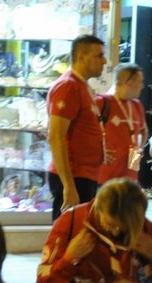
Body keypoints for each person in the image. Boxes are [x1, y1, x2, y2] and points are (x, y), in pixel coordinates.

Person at [45, 34, 107, 219]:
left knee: (81, 235)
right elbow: (55, 136)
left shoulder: (82, 86)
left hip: (85, 175)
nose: (104, 61)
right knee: (69, 236)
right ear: (81, 57)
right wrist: (68, 185)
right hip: (74, 176)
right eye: (99, 55)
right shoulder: (69, 86)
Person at [96, 65, 147, 185]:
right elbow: (85, 133)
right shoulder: (102, 102)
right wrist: (99, 151)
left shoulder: (137, 105)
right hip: (105, 177)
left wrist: (140, 148)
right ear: (129, 83)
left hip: (130, 176)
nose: (142, 86)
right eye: (140, 82)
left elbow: (144, 131)